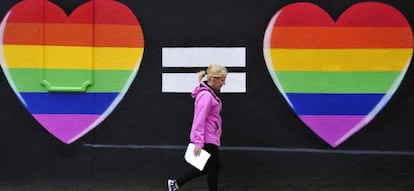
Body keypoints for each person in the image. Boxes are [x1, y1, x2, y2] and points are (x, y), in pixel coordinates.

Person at [168, 64, 228, 191]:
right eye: (222, 80)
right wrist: (198, 142)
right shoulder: (206, 96)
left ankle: (175, 184)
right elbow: (199, 120)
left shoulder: (210, 94)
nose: (224, 83)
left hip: (210, 136)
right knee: (214, 167)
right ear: (213, 79)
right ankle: (176, 183)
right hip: (206, 138)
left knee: (208, 167)